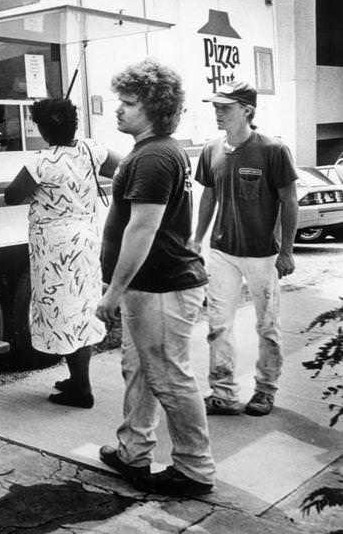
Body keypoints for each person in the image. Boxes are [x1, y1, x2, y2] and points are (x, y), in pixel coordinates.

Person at [95, 59, 215, 497]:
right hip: (152, 288)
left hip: (163, 287)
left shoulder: (153, 157)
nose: (119, 110)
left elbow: (141, 230)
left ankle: (195, 468)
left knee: (168, 375)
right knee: (140, 371)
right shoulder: (156, 152)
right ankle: (133, 451)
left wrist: (112, 293)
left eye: (128, 103)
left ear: (154, 107)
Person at [4, 98, 119, 408]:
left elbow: (11, 196)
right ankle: (77, 378)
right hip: (86, 239)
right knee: (80, 309)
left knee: (64, 311)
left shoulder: (42, 162)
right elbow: (123, 168)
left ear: (42, 129)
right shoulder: (91, 150)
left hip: (55, 247)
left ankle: (81, 387)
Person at [193, 81, 298, 417]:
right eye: (215, 107)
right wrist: (197, 237)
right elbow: (209, 195)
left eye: (225, 107)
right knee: (218, 324)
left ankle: (266, 389)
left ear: (247, 111)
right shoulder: (211, 149)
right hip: (222, 251)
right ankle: (222, 392)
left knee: (266, 324)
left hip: (263, 253)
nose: (218, 113)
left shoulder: (273, 150)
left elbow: (289, 200)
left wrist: (287, 250)